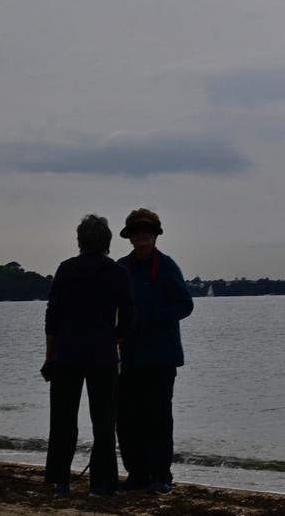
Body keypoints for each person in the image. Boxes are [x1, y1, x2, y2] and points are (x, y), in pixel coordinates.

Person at [43, 214, 135, 497]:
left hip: (67, 353)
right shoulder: (118, 272)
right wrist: (116, 337)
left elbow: (53, 316)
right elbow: (129, 316)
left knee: (62, 420)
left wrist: (50, 355)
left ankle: (60, 481)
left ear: (80, 240)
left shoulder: (66, 269)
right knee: (104, 423)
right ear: (107, 242)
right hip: (102, 355)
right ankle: (102, 483)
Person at [115, 207, 195, 494]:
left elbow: (185, 304)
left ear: (155, 234)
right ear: (130, 236)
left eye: (146, 231)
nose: (141, 236)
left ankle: (161, 475)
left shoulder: (167, 266)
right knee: (126, 418)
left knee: (158, 417)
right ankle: (137, 474)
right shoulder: (121, 267)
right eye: (136, 231)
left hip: (161, 356)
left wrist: (153, 316)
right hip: (130, 357)